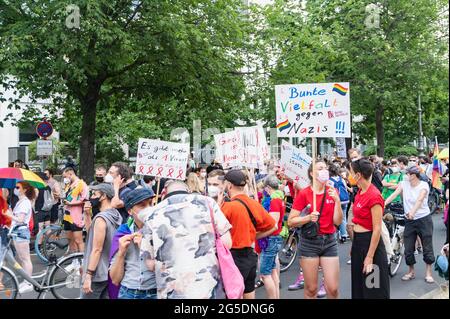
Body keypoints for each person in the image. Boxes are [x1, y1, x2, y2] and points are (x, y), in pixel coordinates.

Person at [139, 180, 233, 299]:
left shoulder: (152, 214)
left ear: (164, 193)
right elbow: (227, 243)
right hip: (209, 285)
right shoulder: (208, 203)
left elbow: (150, 264)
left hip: (172, 290)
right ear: (188, 191)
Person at [287, 160, 343, 299]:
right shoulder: (304, 194)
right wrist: (307, 218)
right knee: (311, 289)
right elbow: (291, 221)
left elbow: (337, 221)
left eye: (325, 167)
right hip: (309, 243)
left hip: (329, 241)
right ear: (312, 173)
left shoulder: (333, 191)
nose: (324, 170)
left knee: (333, 289)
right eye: (320, 168)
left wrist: (337, 201)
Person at [220, 169, 277, 299]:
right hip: (250, 256)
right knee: (249, 293)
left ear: (229, 185)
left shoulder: (228, 206)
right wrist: (254, 236)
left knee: (233, 295)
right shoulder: (254, 203)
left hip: (233, 257)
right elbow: (273, 226)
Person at [385, 166, 436, 283]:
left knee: (427, 246)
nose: (406, 175)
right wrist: (383, 203)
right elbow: (394, 194)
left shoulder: (424, 185)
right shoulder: (404, 183)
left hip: (424, 219)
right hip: (409, 220)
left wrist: (412, 212)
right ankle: (411, 271)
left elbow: (420, 199)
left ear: (414, 175)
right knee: (408, 247)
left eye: (408, 174)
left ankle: (428, 272)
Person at [349, 158, 390, 299]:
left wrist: (370, 256)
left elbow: (377, 228)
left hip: (371, 244)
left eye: (351, 172)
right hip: (358, 242)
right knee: (359, 287)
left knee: (373, 287)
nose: (349, 174)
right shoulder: (359, 192)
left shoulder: (374, 196)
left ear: (358, 175)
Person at [109, 188, 157, 299]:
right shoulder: (123, 233)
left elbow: (169, 270)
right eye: (142, 205)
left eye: (151, 204)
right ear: (130, 211)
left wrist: (146, 248)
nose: (148, 209)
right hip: (128, 293)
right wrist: (121, 253)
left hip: (156, 292)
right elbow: (115, 280)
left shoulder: (161, 231)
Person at [81, 183, 122, 299]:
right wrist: (87, 215)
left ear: (103, 196)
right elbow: (92, 234)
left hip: (97, 272)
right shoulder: (116, 215)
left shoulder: (101, 219)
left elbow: (97, 249)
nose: (91, 197)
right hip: (109, 270)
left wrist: (88, 275)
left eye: (94, 194)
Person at [1, 182, 36, 293]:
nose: (15, 189)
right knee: (22, 259)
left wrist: (8, 214)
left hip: (21, 232)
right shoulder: (20, 202)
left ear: (24, 190)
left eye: (17, 187)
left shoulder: (25, 202)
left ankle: (28, 283)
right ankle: (26, 281)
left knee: (25, 259)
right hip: (17, 232)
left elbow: (20, 219)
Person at [260, 175, 285, 299]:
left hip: (271, 239)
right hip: (274, 239)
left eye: (265, 188)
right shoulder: (278, 198)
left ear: (268, 188)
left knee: (265, 274)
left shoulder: (275, 201)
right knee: (273, 270)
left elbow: (272, 224)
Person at [62, 167, 89, 254]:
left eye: (65, 176)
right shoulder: (68, 184)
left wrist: (72, 203)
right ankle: (74, 260)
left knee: (78, 240)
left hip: (76, 216)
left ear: (70, 173)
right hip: (67, 215)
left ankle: (82, 260)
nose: (65, 178)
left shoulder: (81, 184)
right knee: (70, 240)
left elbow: (85, 200)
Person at [329, 164, 350, 243]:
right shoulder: (341, 179)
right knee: (343, 217)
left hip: (336, 201)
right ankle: (344, 234)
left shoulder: (329, 180)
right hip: (345, 200)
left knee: (333, 217)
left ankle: (334, 235)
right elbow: (345, 188)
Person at [34, 172, 54, 246]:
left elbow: (35, 197)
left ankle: (39, 245)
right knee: (48, 228)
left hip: (40, 210)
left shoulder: (37, 187)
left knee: (40, 229)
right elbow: (52, 198)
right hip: (48, 210)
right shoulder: (48, 187)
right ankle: (50, 244)